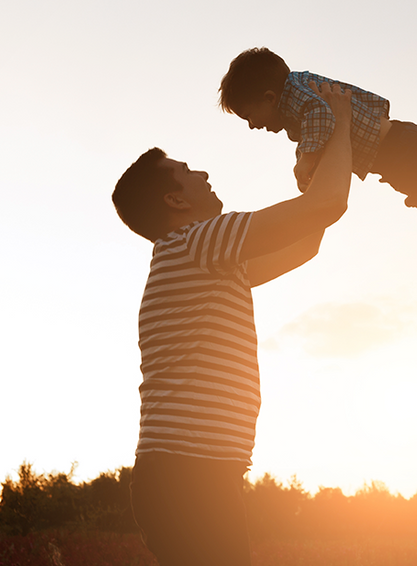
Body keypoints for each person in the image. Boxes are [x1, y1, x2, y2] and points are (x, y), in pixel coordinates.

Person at [111, 83, 354, 566]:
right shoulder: (198, 242)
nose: (201, 172)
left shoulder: (209, 259)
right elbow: (329, 205)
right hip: (187, 476)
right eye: (185, 172)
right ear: (175, 202)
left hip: (198, 475)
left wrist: (319, 165)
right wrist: (342, 124)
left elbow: (308, 240)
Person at [218, 47, 417, 275]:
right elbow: (314, 130)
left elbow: (322, 116)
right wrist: (304, 160)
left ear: (270, 97)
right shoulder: (297, 101)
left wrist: (306, 160)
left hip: (401, 148)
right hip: (397, 153)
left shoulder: (297, 97)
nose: (251, 125)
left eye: (248, 116)